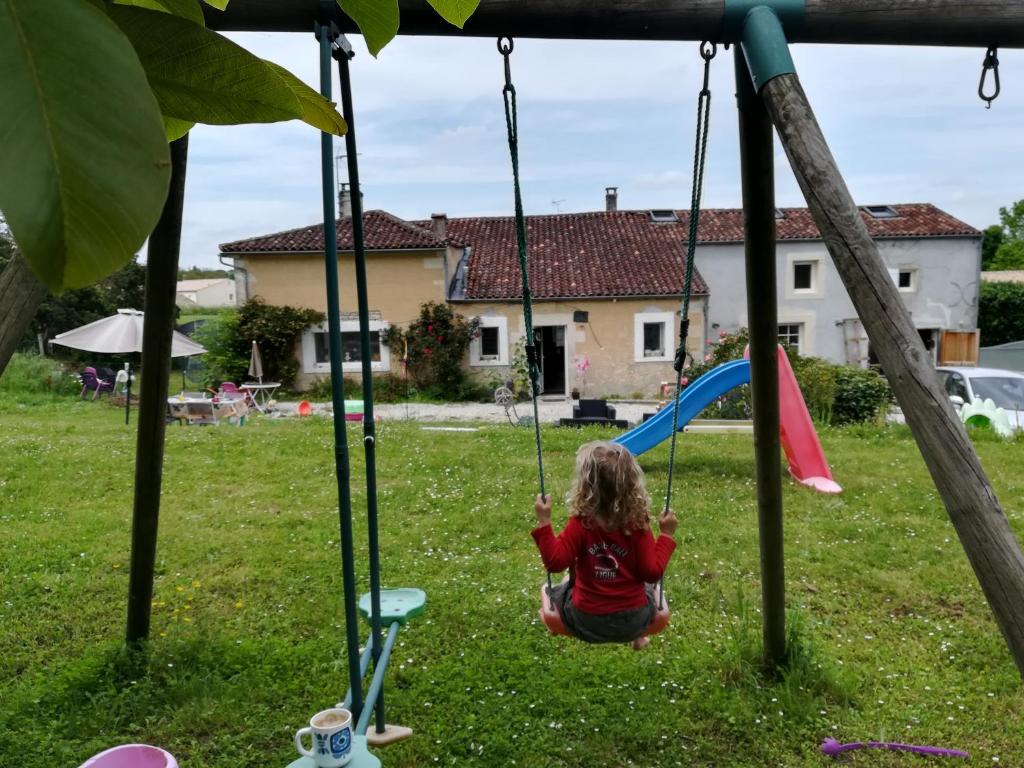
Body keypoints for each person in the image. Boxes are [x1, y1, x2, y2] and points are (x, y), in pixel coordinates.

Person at [531, 441, 678, 650]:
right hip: (634, 620)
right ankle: (638, 636)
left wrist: (544, 522)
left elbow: (555, 562)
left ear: (585, 485)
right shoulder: (637, 524)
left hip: (585, 620)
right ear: (631, 484)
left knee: (550, 588)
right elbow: (651, 573)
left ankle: (554, 625)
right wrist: (666, 534)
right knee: (649, 588)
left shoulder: (582, 523)